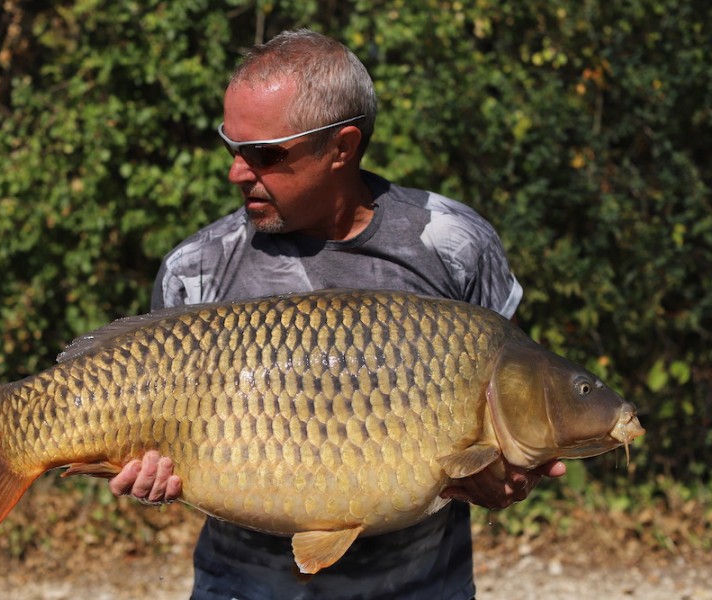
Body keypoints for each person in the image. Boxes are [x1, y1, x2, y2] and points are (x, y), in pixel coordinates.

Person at [109, 29, 565, 600]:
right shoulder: (196, 269)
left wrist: (508, 478)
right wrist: (149, 472)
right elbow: (167, 450)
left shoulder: (453, 242)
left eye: (265, 154)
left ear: (342, 148)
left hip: (424, 587)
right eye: (232, 147)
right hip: (243, 589)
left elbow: (512, 402)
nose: (236, 172)